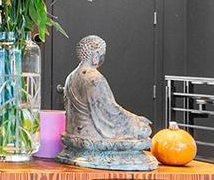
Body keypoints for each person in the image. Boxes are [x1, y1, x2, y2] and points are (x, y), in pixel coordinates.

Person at [58, 35, 157, 171]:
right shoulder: (94, 78)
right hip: (91, 136)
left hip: (74, 135)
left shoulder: (71, 76)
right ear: (95, 55)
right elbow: (109, 111)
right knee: (144, 130)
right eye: (102, 54)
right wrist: (134, 120)